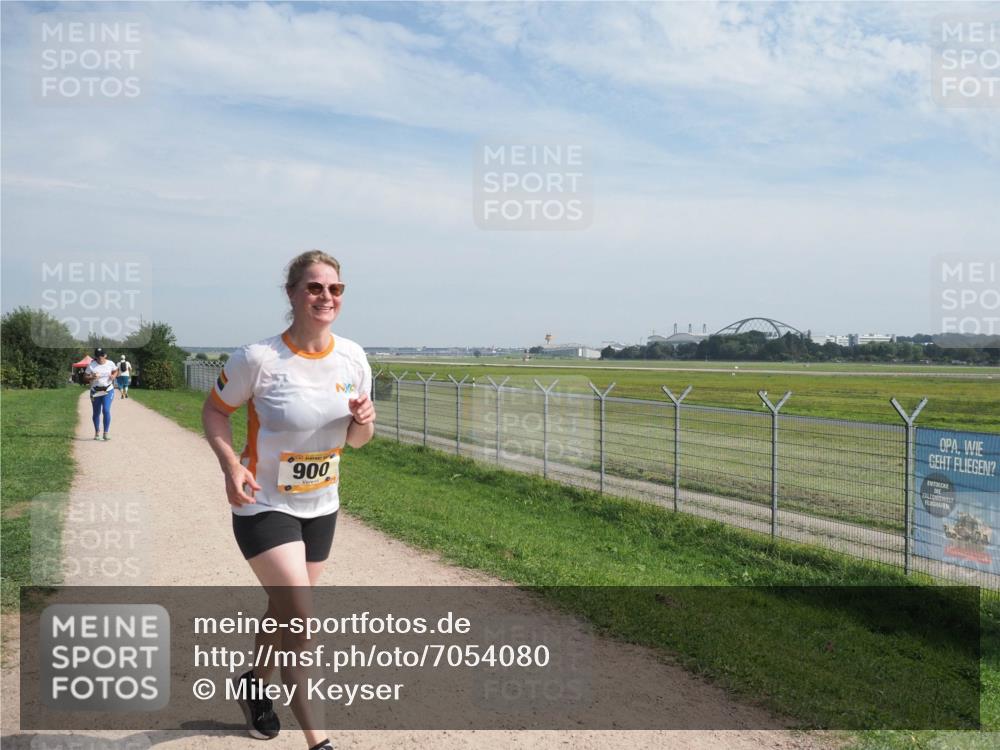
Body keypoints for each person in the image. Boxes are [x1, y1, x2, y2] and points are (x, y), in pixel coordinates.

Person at [201, 250, 375, 749]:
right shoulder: (257, 359)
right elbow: (215, 411)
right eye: (315, 287)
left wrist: (364, 421)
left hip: (321, 506)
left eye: (335, 289)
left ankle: (253, 681)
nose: (326, 297)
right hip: (263, 503)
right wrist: (231, 466)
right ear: (292, 293)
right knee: (300, 619)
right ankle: (320, 743)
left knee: (283, 610)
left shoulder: (354, 358)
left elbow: (359, 441)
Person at [84, 348, 118, 441]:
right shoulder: (92, 365)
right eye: (98, 356)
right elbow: (85, 377)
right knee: (96, 412)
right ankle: (97, 432)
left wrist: (113, 376)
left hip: (108, 390)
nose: (100, 358)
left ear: (105, 355)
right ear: (96, 357)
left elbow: (116, 371)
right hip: (96, 391)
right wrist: (92, 376)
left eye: (102, 355)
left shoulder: (110, 363)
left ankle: (106, 433)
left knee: (106, 410)